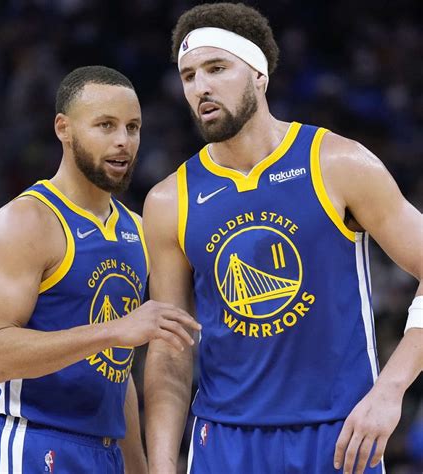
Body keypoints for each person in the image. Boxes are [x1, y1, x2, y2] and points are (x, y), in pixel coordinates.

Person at [143, 3, 423, 474]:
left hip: (338, 436)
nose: (200, 87)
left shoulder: (338, 163)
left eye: (216, 68)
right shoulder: (170, 200)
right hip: (224, 443)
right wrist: (163, 466)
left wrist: (390, 390)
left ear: (259, 74)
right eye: (189, 76)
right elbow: (171, 350)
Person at [0, 65, 200, 474]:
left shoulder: (137, 230)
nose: (123, 141)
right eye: (105, 125)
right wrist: (113, 331)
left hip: (104, 453)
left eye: (132, 127)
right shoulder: (26, 221)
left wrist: (138, 467)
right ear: (64, 128)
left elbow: (114, 372)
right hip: (30, 442)